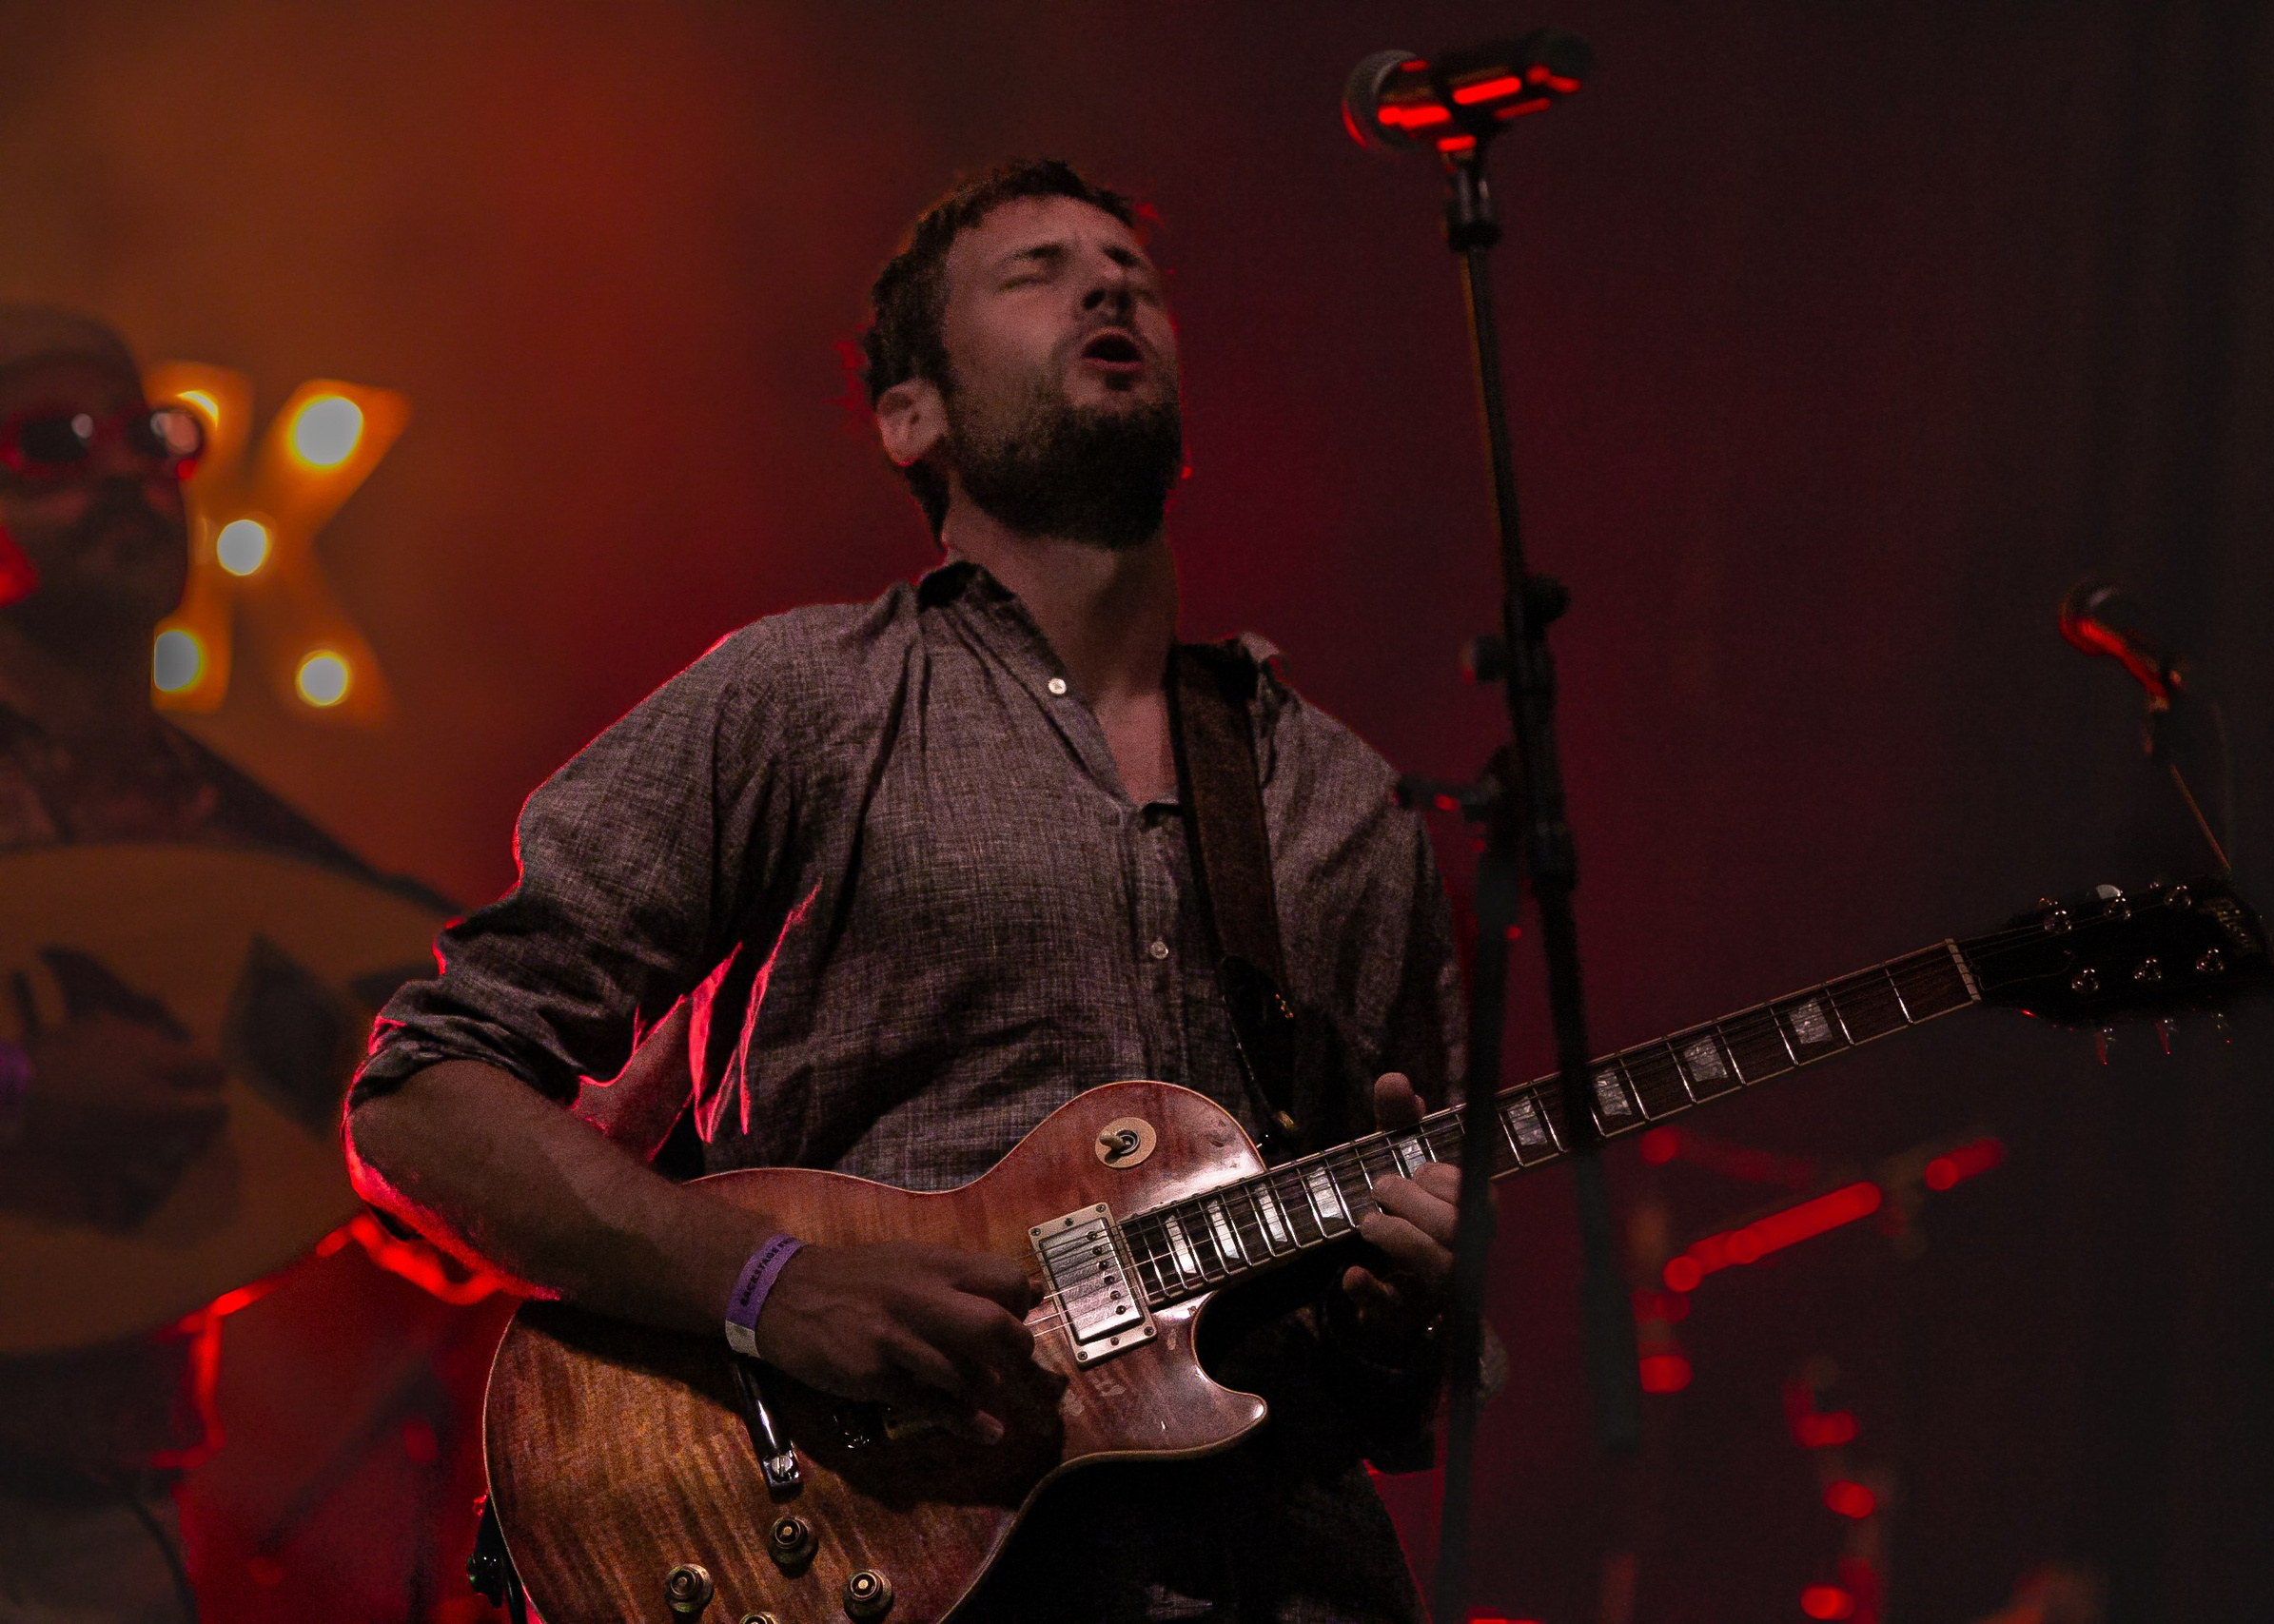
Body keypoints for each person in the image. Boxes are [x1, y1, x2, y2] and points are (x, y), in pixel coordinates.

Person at [345, 159, 1468, 1623]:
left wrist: (1405, 1309)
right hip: (864, 1559)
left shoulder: (1346, 810)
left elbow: (1399, 1369)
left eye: (1132, 269)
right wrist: (768, 1287)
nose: (1110, 285)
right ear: (910, 416)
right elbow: (422, 1094)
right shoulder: (801, 702)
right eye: (1038, 270)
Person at [0, 306, 397, 1624]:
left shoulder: (239, 856)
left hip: (109, 1504)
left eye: (154, 436)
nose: (125, 470)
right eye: (55, 441)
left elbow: (353, 1115)